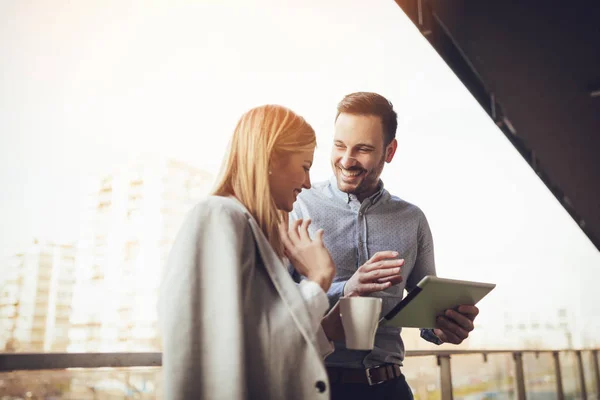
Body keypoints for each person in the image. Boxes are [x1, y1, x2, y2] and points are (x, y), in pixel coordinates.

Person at [289, 92, 480, 400]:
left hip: (390, 387)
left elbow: (426, 314)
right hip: (316, 385)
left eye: (362, 149)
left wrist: (444, 328)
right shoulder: (298, 205)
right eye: (339, 145)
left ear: (389, 151)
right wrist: (345, 290)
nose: (347, 160)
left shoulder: (412, 219)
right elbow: (277, 303)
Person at [159, 104, 345, 400]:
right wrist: (318, 279)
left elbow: (260, 342)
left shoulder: (245, 227)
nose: (308, 183)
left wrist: (325, 331)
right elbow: (222, 355)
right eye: (305, 167)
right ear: (271, 158)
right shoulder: (218, 217)